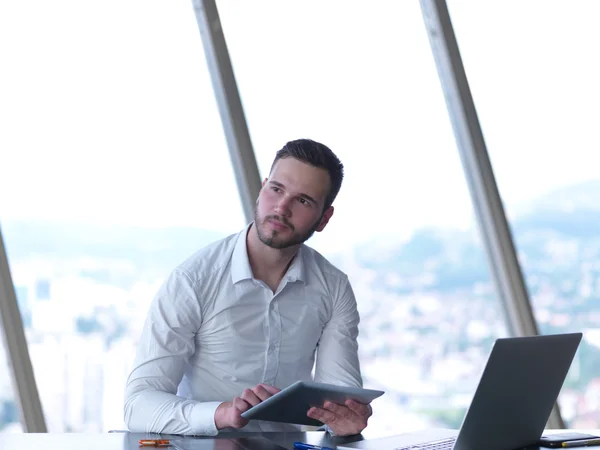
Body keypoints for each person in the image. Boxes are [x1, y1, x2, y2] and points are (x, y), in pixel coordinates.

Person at [124, 139, 372, 436]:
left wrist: (346, 422)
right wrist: (222, 413)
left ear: (324, 219)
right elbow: (137, 405)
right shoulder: (193, 281)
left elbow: (339, 400)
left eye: (303, 200)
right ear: (262, 188)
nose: (282, 208)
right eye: (276, 189)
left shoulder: (334, 288)